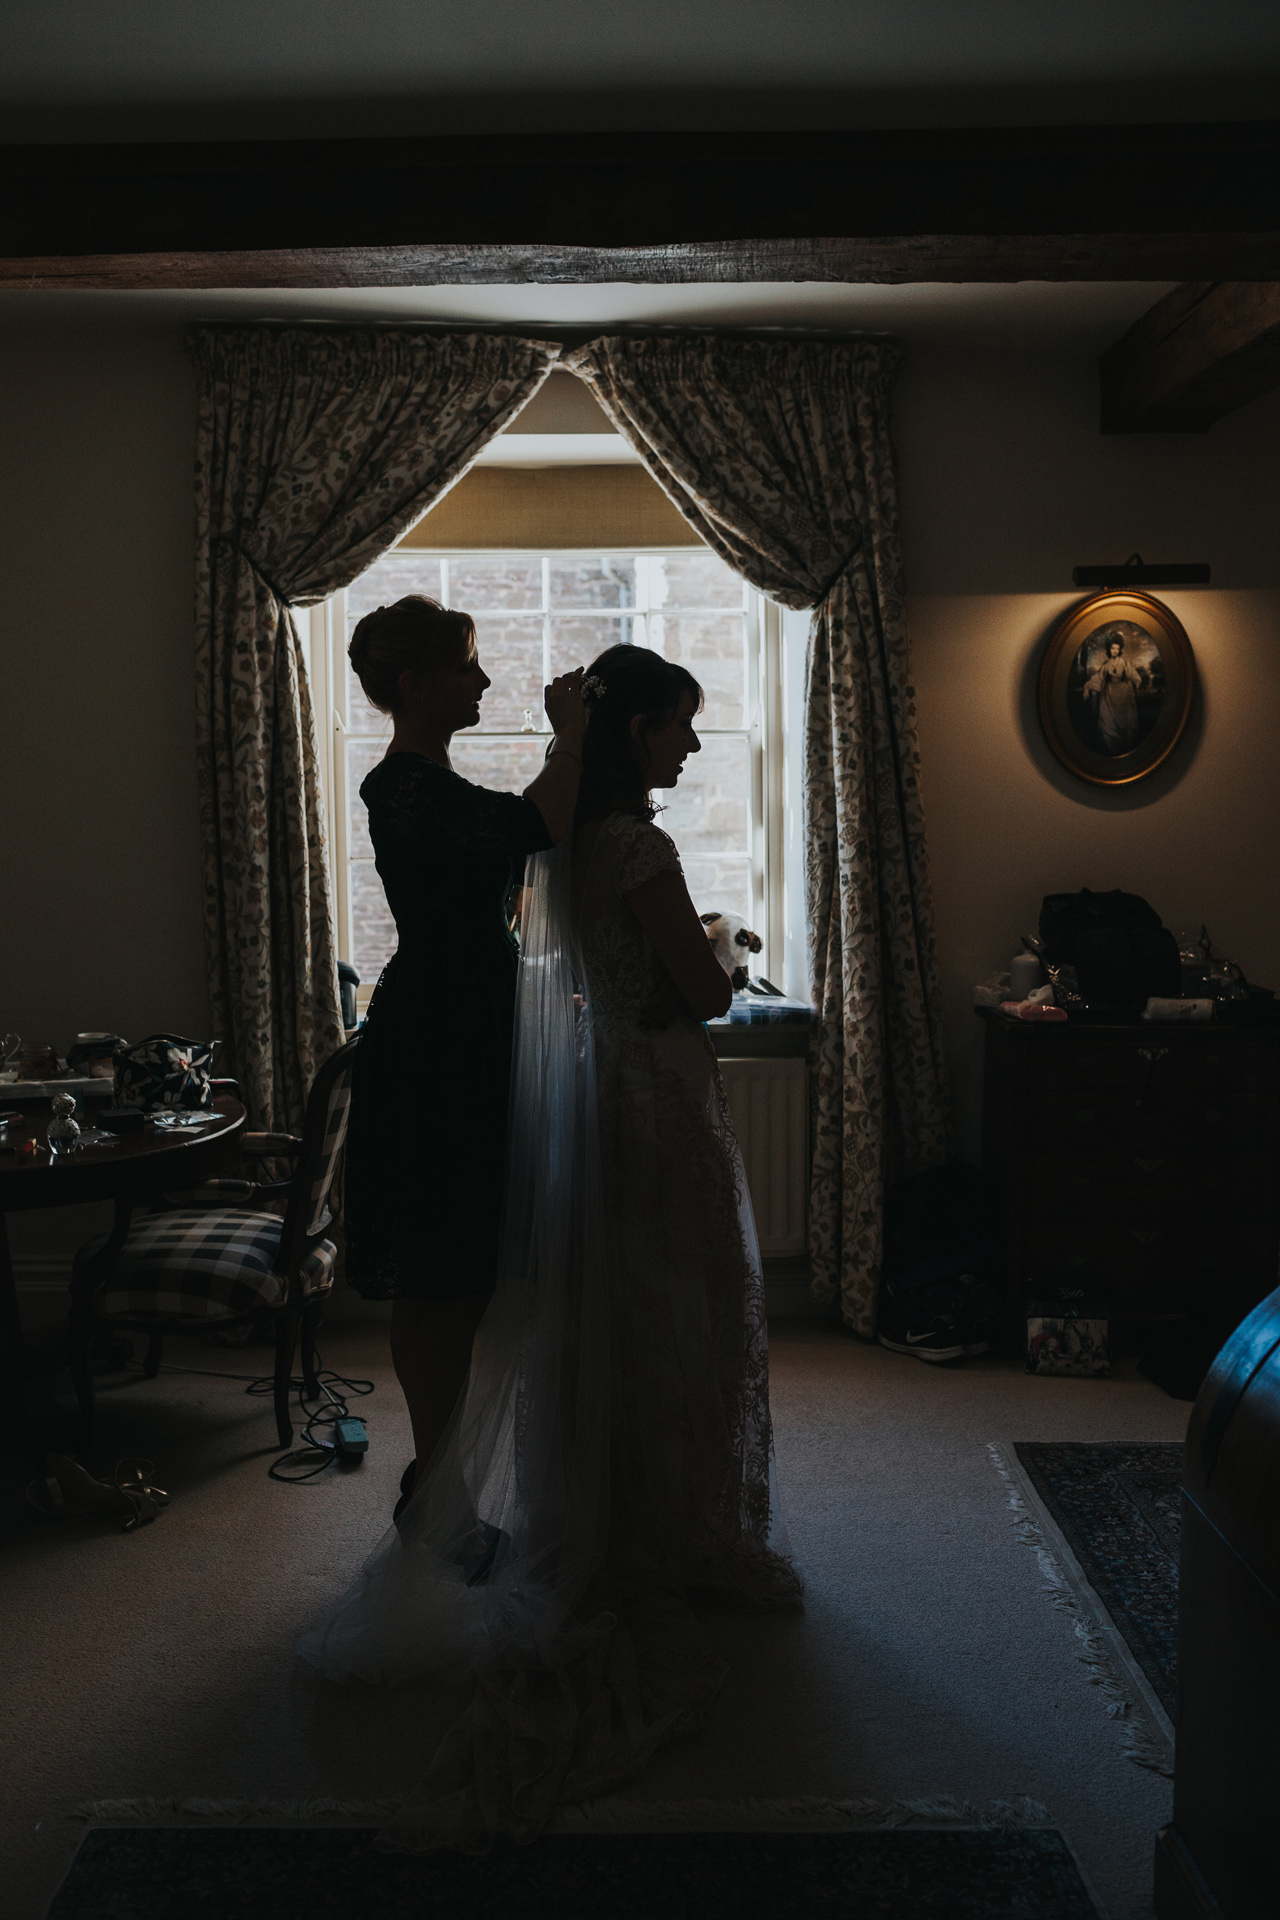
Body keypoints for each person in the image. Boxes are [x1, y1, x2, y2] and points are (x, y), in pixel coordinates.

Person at [302, 642, 801, 1848]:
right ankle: (554, 1508)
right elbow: (699, 989)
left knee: (608, 1305)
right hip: (590, 1079)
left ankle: (544, 1500)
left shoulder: (567, 836)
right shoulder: (559, 826)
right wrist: (715, 961)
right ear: (640, 735)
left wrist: (570, 751)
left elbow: (534, 849)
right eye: (677, 725)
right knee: (668, 1307)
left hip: (560, 1072)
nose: (688, 743)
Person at [341, 595, 586, 1508]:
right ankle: (436, 1475)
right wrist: (568, 735)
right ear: (414, 684)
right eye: (467, 666)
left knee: (464, 1268)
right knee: (437, 1274)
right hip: (436, 1045)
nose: (483, 679)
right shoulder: (400, 787)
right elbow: (535, 828)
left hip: (472, 1032)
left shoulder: (433, 786)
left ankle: (437, 1474)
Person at [1083, 634, 1146, 754]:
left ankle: (1124, 750)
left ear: (1120, 649)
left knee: (1124, 722)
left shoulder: (1124, 663)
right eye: (1113, 648)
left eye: (1117, 648)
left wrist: (1137, 681)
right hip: (1109, 695)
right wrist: (1087, 687)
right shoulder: (1106, 665)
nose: (1115, 651)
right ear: (1109, 649)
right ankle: (1111, 750)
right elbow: (1098, 678)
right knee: (1107, 722)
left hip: (1123, 694)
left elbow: (1132, 674)